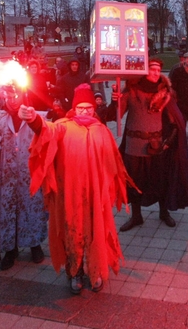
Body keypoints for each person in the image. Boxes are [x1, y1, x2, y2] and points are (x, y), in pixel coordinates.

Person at [19, 84, 135, 294]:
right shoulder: (63, 126)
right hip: (70, 195)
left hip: (95, 196)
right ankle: (75, 271)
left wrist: (109, 190)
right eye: (80, 107)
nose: (85, 111)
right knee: (73, 233)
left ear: (94, 108)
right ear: (74, 108)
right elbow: (46, 131)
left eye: (88, 107)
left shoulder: (102, 131)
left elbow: (112, 163)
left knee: (95, 232)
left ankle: (96, 269)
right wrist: (32, 119)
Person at [109, 58, 188, 232]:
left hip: (156, 146)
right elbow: (116, 115)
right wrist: (115, 101)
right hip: (134, 146)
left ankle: (163, 212)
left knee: (160, 181)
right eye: (151, 69)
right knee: (134, 183)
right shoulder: (131, 91)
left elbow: (174, 122)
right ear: (144, 72)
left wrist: (168, 143)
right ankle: (136, 216)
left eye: (158, 70)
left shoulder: (165, 93)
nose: (155, 73)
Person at [0, 87, 48, 271]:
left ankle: (34, 245)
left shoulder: (36, 116)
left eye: (16, 95)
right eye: (8, 96)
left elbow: (46, 135)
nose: (13, 100)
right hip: (6, 173)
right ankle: (10, 249)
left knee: (30, 207)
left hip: (29, 172)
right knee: (8, 210)